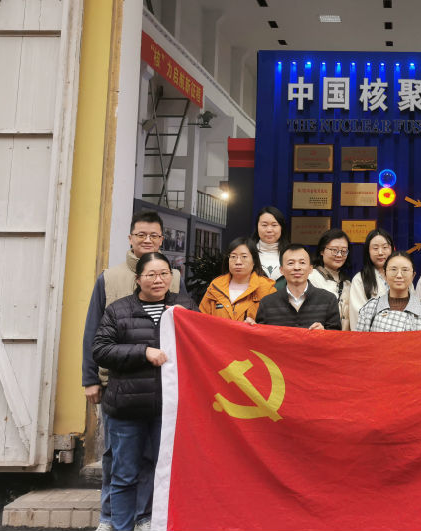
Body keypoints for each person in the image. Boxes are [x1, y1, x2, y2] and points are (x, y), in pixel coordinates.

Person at [81, 210, 189, 531]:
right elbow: (96, 340)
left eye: (154, 235)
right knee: (118, 463)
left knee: (154, 463)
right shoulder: (112, 288)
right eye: (141, 235)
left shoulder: (180, 296)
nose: (158, 280)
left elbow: (199, 334)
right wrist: (91, 378)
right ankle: (111, 520)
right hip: (122, 395)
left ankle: (144, 518)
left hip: (162, 399)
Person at [356, 252, 421, 332]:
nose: (399, 275)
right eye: (393, 269)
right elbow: (360, 343)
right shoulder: (370, 308)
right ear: (385, 274)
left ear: (413, 275)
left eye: (405, 270)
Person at [255, 244, 341, 329]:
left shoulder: (328, 300)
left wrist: (323, 333)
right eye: (290, 263)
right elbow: (260, 335)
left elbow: (336, 335)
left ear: (310, 269)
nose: (297, 268)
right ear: (281, 270)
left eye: (302, 263)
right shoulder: (267, 303)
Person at [198, 237, 275, 322]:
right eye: (233, 256)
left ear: (254, 261)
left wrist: (256, 327)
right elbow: (201, 321)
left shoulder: (267, 289)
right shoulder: (216, 286)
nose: (238, 262)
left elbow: (275, 325)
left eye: (244, 257)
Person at [349, 228, 394, 331]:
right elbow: (357, 316)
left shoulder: (402, 276)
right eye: (375, 248)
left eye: (385, 247)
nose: (380, 252)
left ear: (392, 249)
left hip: (401, 336)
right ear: (368, 251)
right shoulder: (360, 279)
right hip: (372, 336)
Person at [308, 229, 353, 329]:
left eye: (344, 251)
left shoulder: (347, 283)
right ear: (322, 251)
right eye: (334, 250)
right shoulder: (311, 277)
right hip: (321, 335)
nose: (339, 255)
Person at [252, 206, 289, 282]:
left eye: (274, 225)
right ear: (257, 227)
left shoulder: (291, 253)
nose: (269, 230)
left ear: (281, 227)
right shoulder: (247, 252)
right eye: (264, 225)